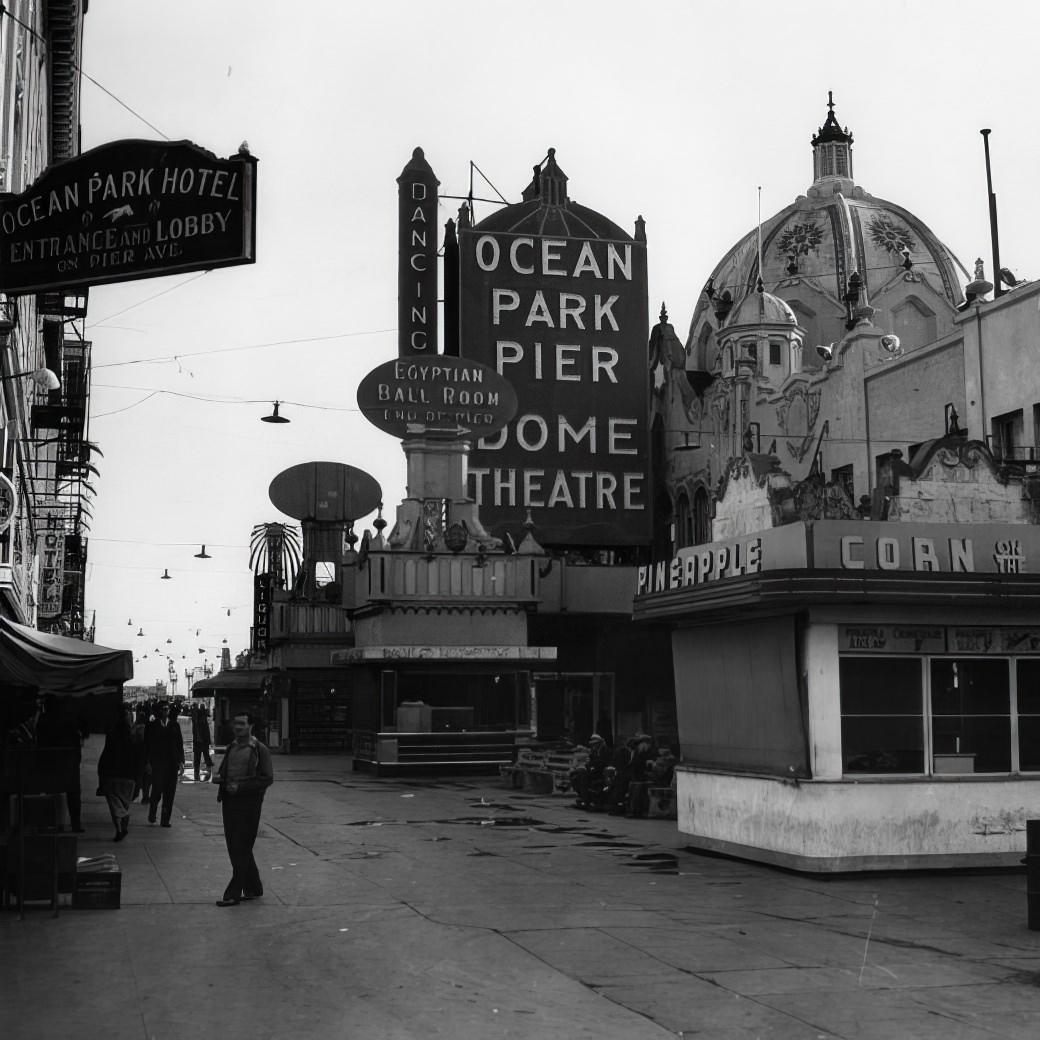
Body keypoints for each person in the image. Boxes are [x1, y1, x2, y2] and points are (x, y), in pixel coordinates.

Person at [213, 712, 274, 907]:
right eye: (235, 723)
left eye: (242, 723)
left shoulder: (259, 749)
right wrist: (221, 781)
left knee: (241, 846)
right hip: (230, 802)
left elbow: (267, 778)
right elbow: (226, 771)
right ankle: (253, 887)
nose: (237, 727)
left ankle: (233, 893)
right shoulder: (232, 747)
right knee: (235, 846)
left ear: (251, 726)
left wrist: (241, 787)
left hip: (249, 804)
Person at [35, 694, 83, 832]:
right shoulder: (68, 720)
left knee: (50, 795)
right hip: (68, 762)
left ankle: (50, 823)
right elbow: (75, 742)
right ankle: (76, 825)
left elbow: (40, 740)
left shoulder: (43, 720)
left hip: (49, 762)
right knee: (73, 794)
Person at [97, 715, 141, 841]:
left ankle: (119, 829)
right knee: (125, 804)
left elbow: (103, 761)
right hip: (129, 778)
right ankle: (124, 822)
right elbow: (137, 761)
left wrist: (101, 780)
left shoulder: (111, 743)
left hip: (112, 777)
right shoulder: (132, 743)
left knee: (114, 806)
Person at [144, 702, 185, 827]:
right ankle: (152, 813)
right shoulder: (151, 726)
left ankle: (165, 819)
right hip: (157, 763)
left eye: (166, 709)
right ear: (158, 712)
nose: (165, 712)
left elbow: (179, 744)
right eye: (163, 710)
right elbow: (147, 746)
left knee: (170, 792)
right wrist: (147, 763)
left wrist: (181, 761)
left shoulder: (174, 725)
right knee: (157, 789)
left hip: (172, 763)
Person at [569, 734, 612, 810]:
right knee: (577, 776)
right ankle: (584, 796)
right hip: (594, 769)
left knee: (584, 778)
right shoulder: (595, 750)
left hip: (601, 771)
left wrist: (589, 765)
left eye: (595, 743)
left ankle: (587, 798)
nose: (593, 745)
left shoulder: (603, 750)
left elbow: (600, 762)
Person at [191, 703, 214, 780]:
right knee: (204, 754)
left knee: (200, 755)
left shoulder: (198, 719)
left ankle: (198, 771)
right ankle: (206, 769)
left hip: (200, 741)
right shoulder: (202, 720)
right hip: (202, 741)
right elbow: (205, 731)